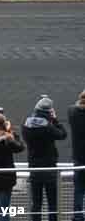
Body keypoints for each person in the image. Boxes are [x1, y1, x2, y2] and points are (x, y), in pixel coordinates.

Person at [22, 96, 68, 221]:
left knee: (36, 203)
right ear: (49, 112)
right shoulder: (48, 127)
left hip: (34, 168)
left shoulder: (25, 125)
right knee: (52, 202)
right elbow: (63, 134)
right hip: (49, 168)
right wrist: (55, 119)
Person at [68, 90, 85, 221]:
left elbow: (74, 107)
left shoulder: (72, 112)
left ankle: (78, 216)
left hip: (78, 157)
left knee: (78, 189)